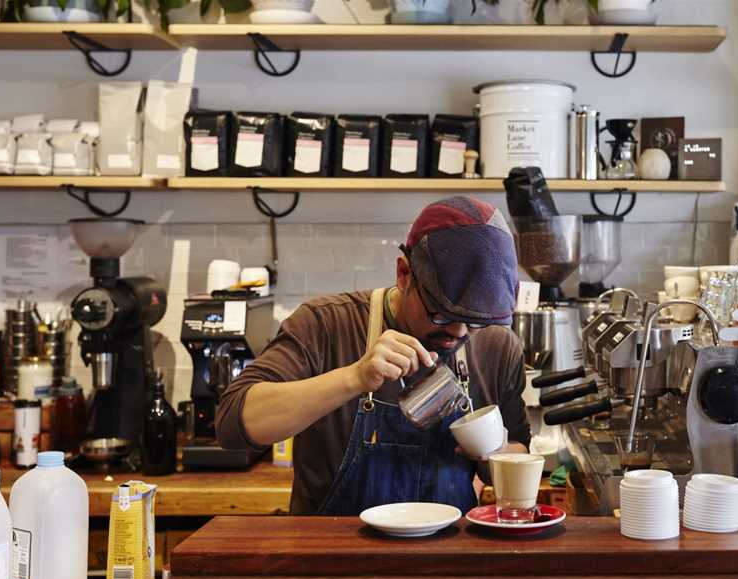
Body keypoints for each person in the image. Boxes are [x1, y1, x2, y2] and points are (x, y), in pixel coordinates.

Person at [216, 196, 531, 515]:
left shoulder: (498, 347)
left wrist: (495, 451)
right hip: (332, 554)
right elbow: (232, 427)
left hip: (446, 555)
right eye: (441, 314)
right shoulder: (326, 324)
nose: (460, 332)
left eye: (478, 320)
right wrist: (354, 378)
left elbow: (518, 452)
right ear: (404, 274)